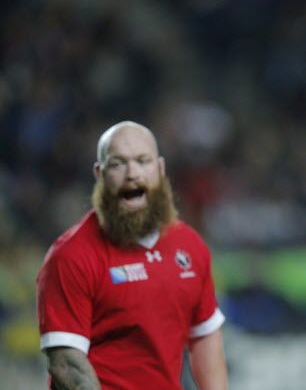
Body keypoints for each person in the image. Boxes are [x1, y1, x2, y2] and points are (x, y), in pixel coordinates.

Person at [36, 121, 228, 390]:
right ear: (99, 174)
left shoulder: (190, 247)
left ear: (160, 169)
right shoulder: (70, 256)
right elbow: (67, 364)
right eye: (117, 164)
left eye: (142, 161)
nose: (132, 174)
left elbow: (205, 336)